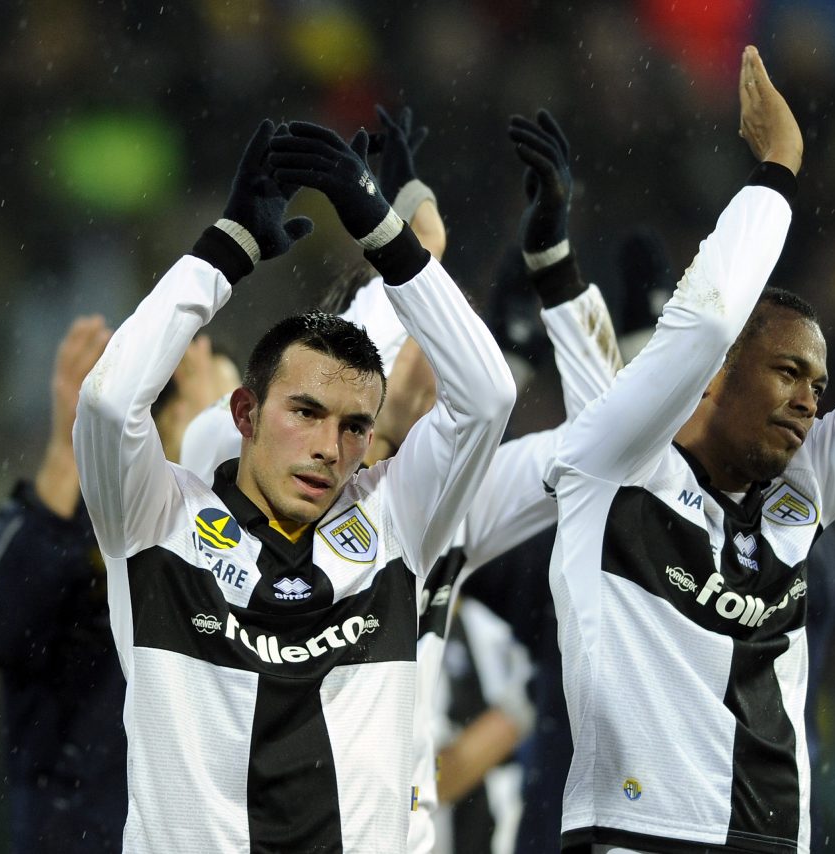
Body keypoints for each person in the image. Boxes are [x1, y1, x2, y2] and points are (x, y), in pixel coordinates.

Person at [545, 32, 835, 854]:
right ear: (714, 375)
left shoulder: (799, 491)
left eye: (819, 384)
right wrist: (778, 169)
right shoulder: (612, 462)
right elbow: (710, 318)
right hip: (637, 837)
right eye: (787, 372)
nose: (809, 401)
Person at [175, 106, 624, 853]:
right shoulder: (244, 457)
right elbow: (372, 335)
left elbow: (609, 445)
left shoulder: (458, 498)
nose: (447, 356)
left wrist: (558, 272)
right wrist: (409, 233)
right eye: (429, 336)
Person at [71, 116, 516, 852]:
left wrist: (387, 236)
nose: (328, 449)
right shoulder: (157, 520)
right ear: (244, 413)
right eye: (305, 413)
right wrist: (225, 250)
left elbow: (488, 395)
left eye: (353, 427)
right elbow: (109, 402)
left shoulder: (395, 523)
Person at [0, 316, 239, 852]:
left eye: (235, 410)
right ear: (154, 420)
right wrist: (68, 457)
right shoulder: (75, 531)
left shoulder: (259, 555)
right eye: (210, 407)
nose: (231, 429)